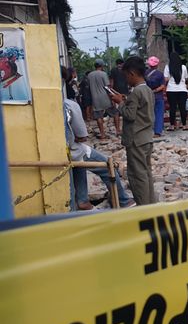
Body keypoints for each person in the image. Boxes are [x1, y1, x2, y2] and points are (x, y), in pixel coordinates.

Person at [64, 98, 134, 209]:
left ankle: (82, 200)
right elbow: (82, 136)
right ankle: (123, 200)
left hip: (62, 154)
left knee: (79, 165)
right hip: (72, 151)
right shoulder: (69, 105)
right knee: (107, 167)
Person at [109, 56, 156, 205]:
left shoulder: (136, 92)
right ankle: (150, 204)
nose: (126, 80)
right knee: (146, 173)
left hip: (136, 139)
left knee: (137, 175)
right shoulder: (147, 89)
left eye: (126, 76)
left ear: (132, 74)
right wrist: (125, 100)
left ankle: (143, 208)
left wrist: (120, 103)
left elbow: (129, 114)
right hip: (147, 137)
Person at [88, 59, 120, 138]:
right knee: (115, 113)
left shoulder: (89, 75)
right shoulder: (103, 74)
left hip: (95, 98)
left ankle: (102, 134)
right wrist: (113, 97)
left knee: (99, 116)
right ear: (102, 66)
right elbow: (107, 87)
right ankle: (118, 130)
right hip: (105, 97)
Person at [164, 51, 188, 131]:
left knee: (172, 108)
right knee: (182, 107)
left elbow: (166, 79)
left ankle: (172, 126)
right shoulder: (183, 67)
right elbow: (186, 79)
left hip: (171, 90)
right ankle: (184, 125)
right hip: (182, 89)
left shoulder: (168, 67)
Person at [145, 56, 165, 137]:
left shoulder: (145, 74)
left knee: (148, 114)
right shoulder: (160, 74)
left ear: (149, 65)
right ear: (157, 65)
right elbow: (163, 86)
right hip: (158, 96)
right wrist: (155, 91)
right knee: (159, 114)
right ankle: (157, 132)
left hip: (147, 96)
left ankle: (148, 131)